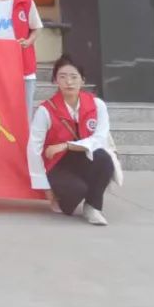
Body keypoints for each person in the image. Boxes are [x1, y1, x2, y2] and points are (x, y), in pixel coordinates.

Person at [27, 55, 118, 226]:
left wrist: (66, 145)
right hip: (57, 164)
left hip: (81, 157)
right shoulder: (45, 110)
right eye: (62, 77)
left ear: (83, 80)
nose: (68, 82)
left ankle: (93, 207)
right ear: (55, 80)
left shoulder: (97, 105)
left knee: (104, 159)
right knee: (76, 192)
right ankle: (64, 197)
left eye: (74, 77)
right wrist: (45, 187)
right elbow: (33, 148)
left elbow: (99, 139)